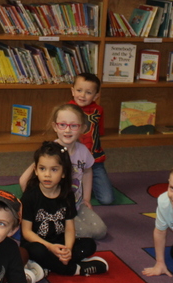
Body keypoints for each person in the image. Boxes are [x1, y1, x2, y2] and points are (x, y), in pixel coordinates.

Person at [18, 103, 107, 240]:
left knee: (100, 231)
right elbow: (24, 181)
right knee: (88, 233)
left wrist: (86, 198)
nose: (67, 130)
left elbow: (88, 172)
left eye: (73, 126)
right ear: (55, 126)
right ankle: (53, 227)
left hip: (76, 204)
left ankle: (61, 230)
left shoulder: (83, 151)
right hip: (56, 209)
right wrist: (34, 205)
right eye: (63, 125)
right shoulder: (50, 152)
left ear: (82, 128)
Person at [21, 141, 109, 277]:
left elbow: (69, 228)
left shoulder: (67, 195)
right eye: (42, 168)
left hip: (59, 243)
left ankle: (47, 266)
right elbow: (26, 232)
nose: (47, 175)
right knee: (36, 251)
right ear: (36, 171)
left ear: (63, 173)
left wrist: (67, 249)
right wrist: (50, 247)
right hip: (39, 244)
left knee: (89, 244)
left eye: (54, 169)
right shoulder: (30, 196)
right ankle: (75, 269)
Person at [69, 72, 114, 205]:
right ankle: (81, 183)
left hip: (95, 160)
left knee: (107, 200)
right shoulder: (67, 109)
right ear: (72, 91)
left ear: (96, 95)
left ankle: (89, 183)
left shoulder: (98, 110)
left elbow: (99, 132)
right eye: (79, 90)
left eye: (88, 92)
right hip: (71, 161)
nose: (82, 95)